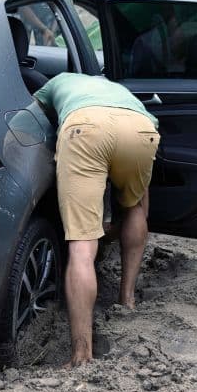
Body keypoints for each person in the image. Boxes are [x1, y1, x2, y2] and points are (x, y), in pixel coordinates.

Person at [32, 73, 160, 365]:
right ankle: (127, 299)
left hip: (84, 128)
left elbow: (32, 115)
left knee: (81, 245)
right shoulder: (119, 90)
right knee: (136, 207)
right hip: (141, 130)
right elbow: (142, 201)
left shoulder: (58, 81)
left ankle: (81, 353)